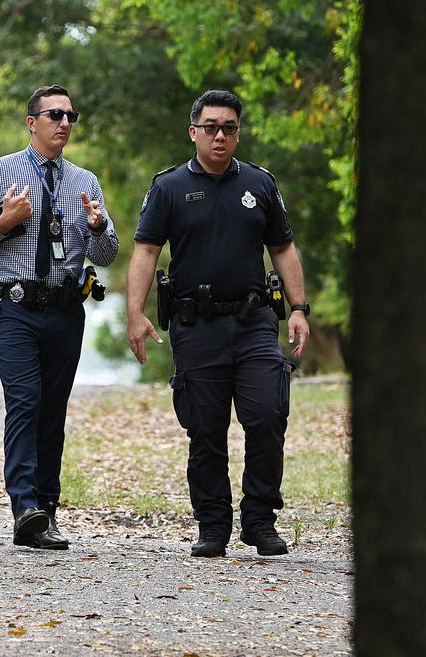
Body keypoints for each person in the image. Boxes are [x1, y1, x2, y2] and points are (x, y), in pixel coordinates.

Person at [126, 89, 309, 558]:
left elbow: (283, 248)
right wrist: (135, 313)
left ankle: (260, 521)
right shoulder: (168, 188)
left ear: (238, 132)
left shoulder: (260, 184)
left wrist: (300, 309)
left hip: (253, 324)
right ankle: (213, 525)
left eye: (229, 127)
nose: (220, 136)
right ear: (194, 132)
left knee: (269, 415)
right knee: (205, 431)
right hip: (196, 326)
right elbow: (145, 250)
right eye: (211, 127)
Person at [0, 85, 118, 550]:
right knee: (25, 399)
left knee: (53, 409)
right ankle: (24, 504)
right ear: (32, 122)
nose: (64, 123)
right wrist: (3, 223)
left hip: (65, 310)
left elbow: (107, 254)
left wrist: (99, 227)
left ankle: (46, 508)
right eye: (54, 115)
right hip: (13, 309)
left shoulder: (85, 181)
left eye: (71, 116)